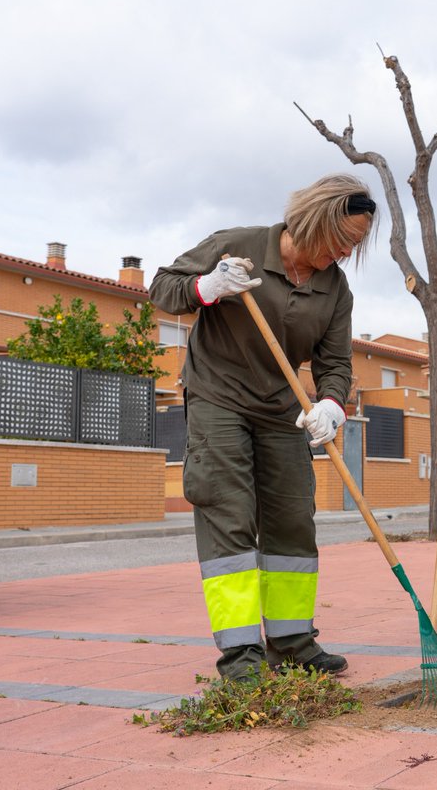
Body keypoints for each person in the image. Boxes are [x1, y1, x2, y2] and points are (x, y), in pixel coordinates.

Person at [149, 174, 376, 681]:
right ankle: (241, 657)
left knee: (293, 518)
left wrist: (334, 405)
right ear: (316, 218)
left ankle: (293, 643)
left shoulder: (334, 289)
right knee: (228, 515)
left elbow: (334, 361)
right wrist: (207, 286)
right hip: (219, 399)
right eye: (341, 239)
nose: (343, 253)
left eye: (354, 246)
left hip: (282, 410)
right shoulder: (238, 247)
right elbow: (162, 288)